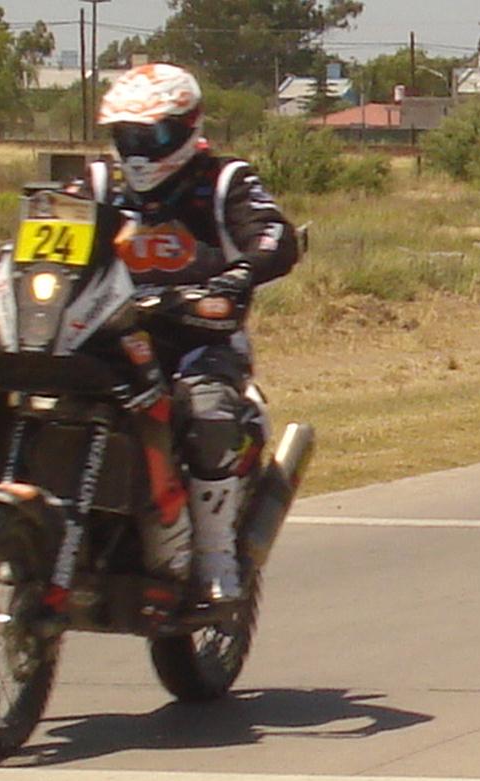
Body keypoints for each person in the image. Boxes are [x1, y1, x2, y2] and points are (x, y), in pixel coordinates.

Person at [85, 62, 301, 605]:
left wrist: (239, 274)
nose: (138, 149)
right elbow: (44, 231)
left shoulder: (223, 181)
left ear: (186, 128)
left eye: (152, 135)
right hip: (105, 337)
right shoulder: (98, 184)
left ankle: (213, 555)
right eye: (126, 135)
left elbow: (275, 235)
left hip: (196, 340)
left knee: (206, 411)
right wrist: (2, 262)